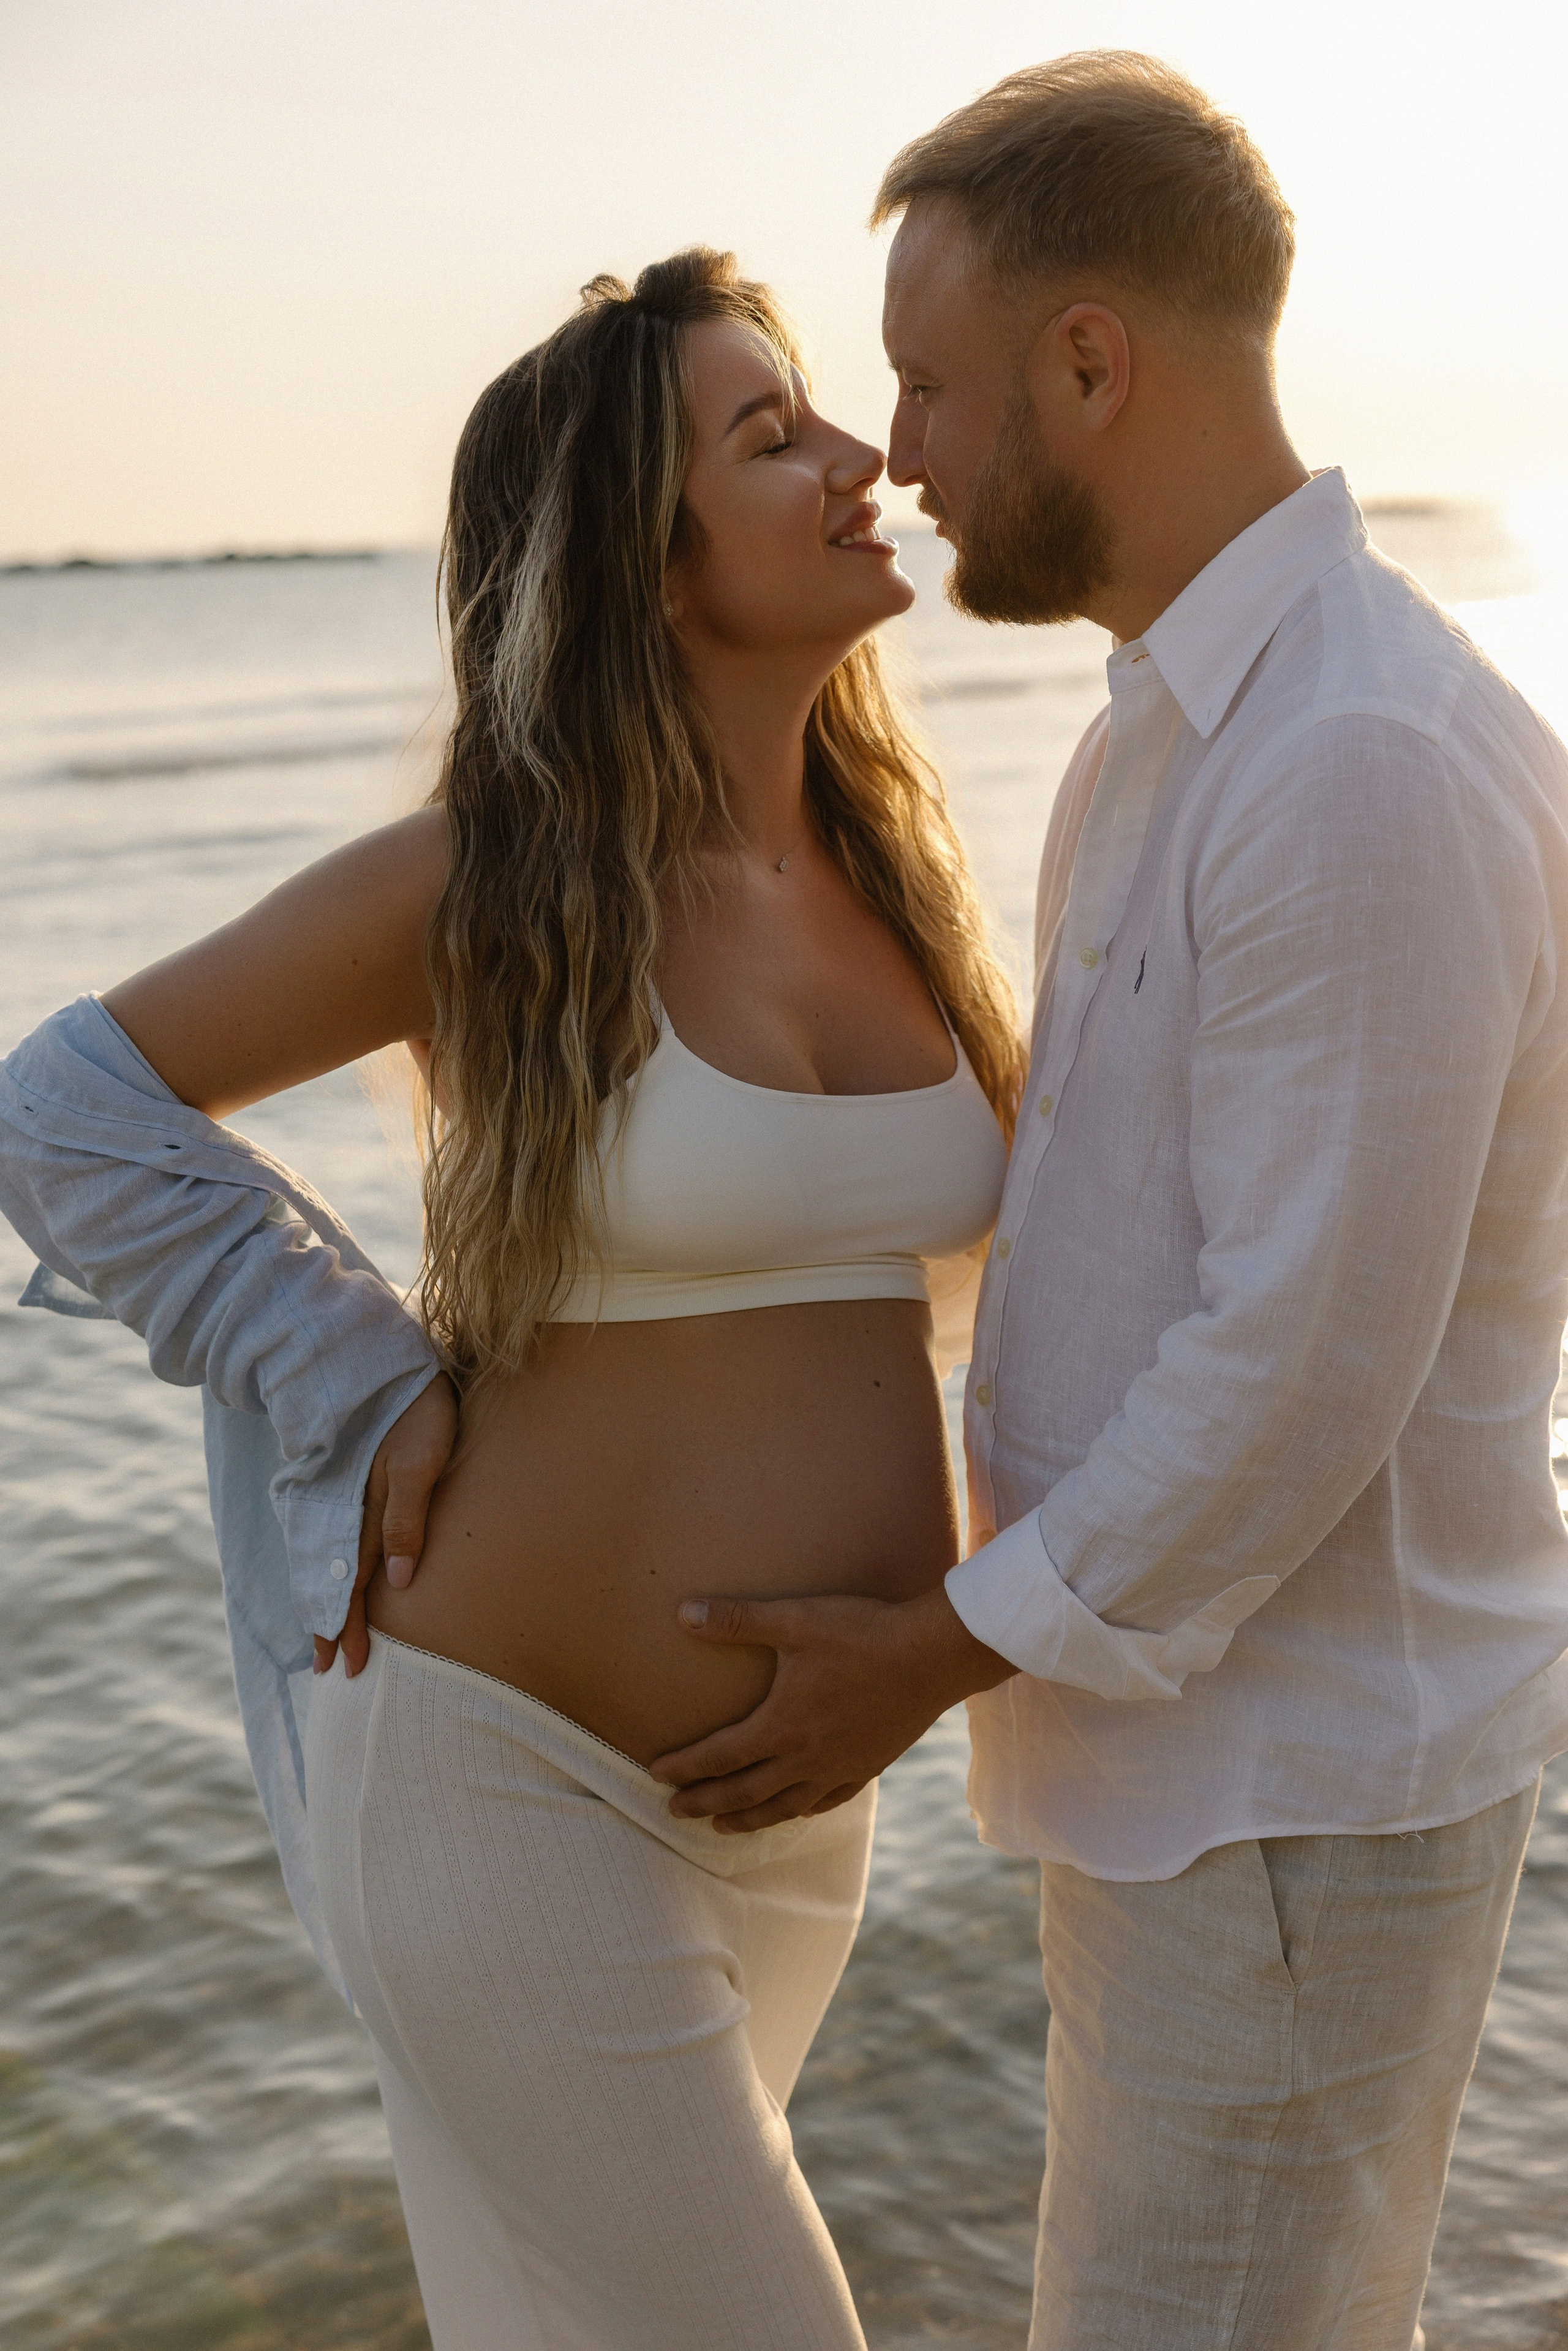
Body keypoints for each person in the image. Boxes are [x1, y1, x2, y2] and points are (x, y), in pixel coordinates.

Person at [0, 251, 1020, 2348]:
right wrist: (348, 1361)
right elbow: (61, 1109)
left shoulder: (895, 879)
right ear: (646, 565)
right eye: (773, 438)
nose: (859, 461)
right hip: (503, 1794)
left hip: (788, 1835)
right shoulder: (501, 875)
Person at [649, 55, 1568, 2349]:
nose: (906, 453)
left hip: (1290, 1804)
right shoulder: (1177, 724)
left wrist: (927, 1651)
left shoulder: (1355, 762)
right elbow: (1105, 1243)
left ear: (1093, 362)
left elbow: (1298, 1371)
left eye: (933, 383)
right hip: (1199, 1789)